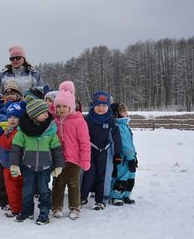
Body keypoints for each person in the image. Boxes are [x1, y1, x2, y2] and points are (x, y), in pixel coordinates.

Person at [10, 98, 64, 225]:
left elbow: (57, 149)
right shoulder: (23, 130)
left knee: (44, 191)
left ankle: (44, 214)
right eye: (43, 112)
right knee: (27, 191)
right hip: (28, 166)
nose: (47, 114)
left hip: (45, 167)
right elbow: (16, 148)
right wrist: (14, 164)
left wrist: (59, 166)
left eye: (47, 111)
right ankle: (27, 212)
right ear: (34, 115)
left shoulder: (50, 130)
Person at [51, 82, 91, 220]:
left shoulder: (79, 121)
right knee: (58, 183)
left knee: (73, 184)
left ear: (71, 107)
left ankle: (75, 207)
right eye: (58, 106)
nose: (61, 109)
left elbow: (85, 143)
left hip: (74, 160)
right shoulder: (54, 122)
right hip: (58, 160)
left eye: (64, 106)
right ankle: (56, 207)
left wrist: (85, 160)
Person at [80, 91, 122, 210]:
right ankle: (82, 196)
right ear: (93, 106)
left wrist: (117, 154)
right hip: (89, 151)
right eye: (98, 105)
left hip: (104, 152)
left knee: (101, 176)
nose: (101, 108)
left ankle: (100, 200)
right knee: (88, 174)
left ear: (108, 106)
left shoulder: (111, 120)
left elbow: (116, 139)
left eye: (104, 105)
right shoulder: (87, 119)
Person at [0, 100, 26, 218]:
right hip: (8, 165)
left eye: (15, 117)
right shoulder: (10, 130)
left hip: (16, 166)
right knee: (11, 189)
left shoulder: (19, 131)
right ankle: (16, 208)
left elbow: (7, 145)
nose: (12, 119)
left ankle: (19, 209)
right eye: (10, 117)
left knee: (15, 189)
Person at [109, 103, 137, 205]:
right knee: (121, 177)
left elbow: (130, 143)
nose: (126, 113)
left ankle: (126, 195)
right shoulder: (118, 126)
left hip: (130, 156)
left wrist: (134, 156)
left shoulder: (125, 125)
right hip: (123, 158)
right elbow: (124, 145)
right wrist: (130, 158)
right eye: (123, 111)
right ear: (117, 113)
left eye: (126, 111)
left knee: (130, 177)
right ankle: (116, 197)